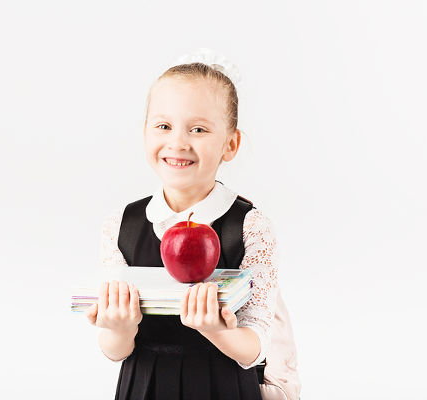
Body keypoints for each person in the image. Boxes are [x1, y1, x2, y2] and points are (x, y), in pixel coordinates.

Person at [85, 48, 281, 400]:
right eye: (163, 126)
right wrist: (121, 327)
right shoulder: (123, 225)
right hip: (143, 386)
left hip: (223, 387)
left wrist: (216, 331)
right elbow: (115, 350)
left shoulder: (248, 226)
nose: (178, 142)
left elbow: (257, 346)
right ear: (145, 132)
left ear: (230, 144)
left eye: (198, 129)